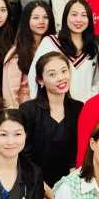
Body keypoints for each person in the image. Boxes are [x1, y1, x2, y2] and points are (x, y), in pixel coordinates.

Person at [21, 51, 83, 190]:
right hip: (34, 185)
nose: (60, 78)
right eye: (52, 74)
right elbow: (25, 157)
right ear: (40, 80)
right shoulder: (28, 110)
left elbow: (77, 155)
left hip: (69, 186)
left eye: (64, 71)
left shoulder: (78, 108)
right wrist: (47, 193)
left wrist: (68, 190)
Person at [28, 0, 99, 102]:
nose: (78, 20)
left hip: (86, 106)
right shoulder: (50, 42)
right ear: (66, 17)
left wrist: (89, 102)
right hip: (54, 106)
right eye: (74, 14)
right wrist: (38, 103)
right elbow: (33, 75)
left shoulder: (94, 46)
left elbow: (97, 82)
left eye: (84, 15)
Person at [2, 0, 54, 108]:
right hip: (25, 109)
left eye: (45, 17)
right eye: (36, 18)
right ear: (27, 20)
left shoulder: (54, 47)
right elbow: (10, 94)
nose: (41, 21)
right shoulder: (16, 53)